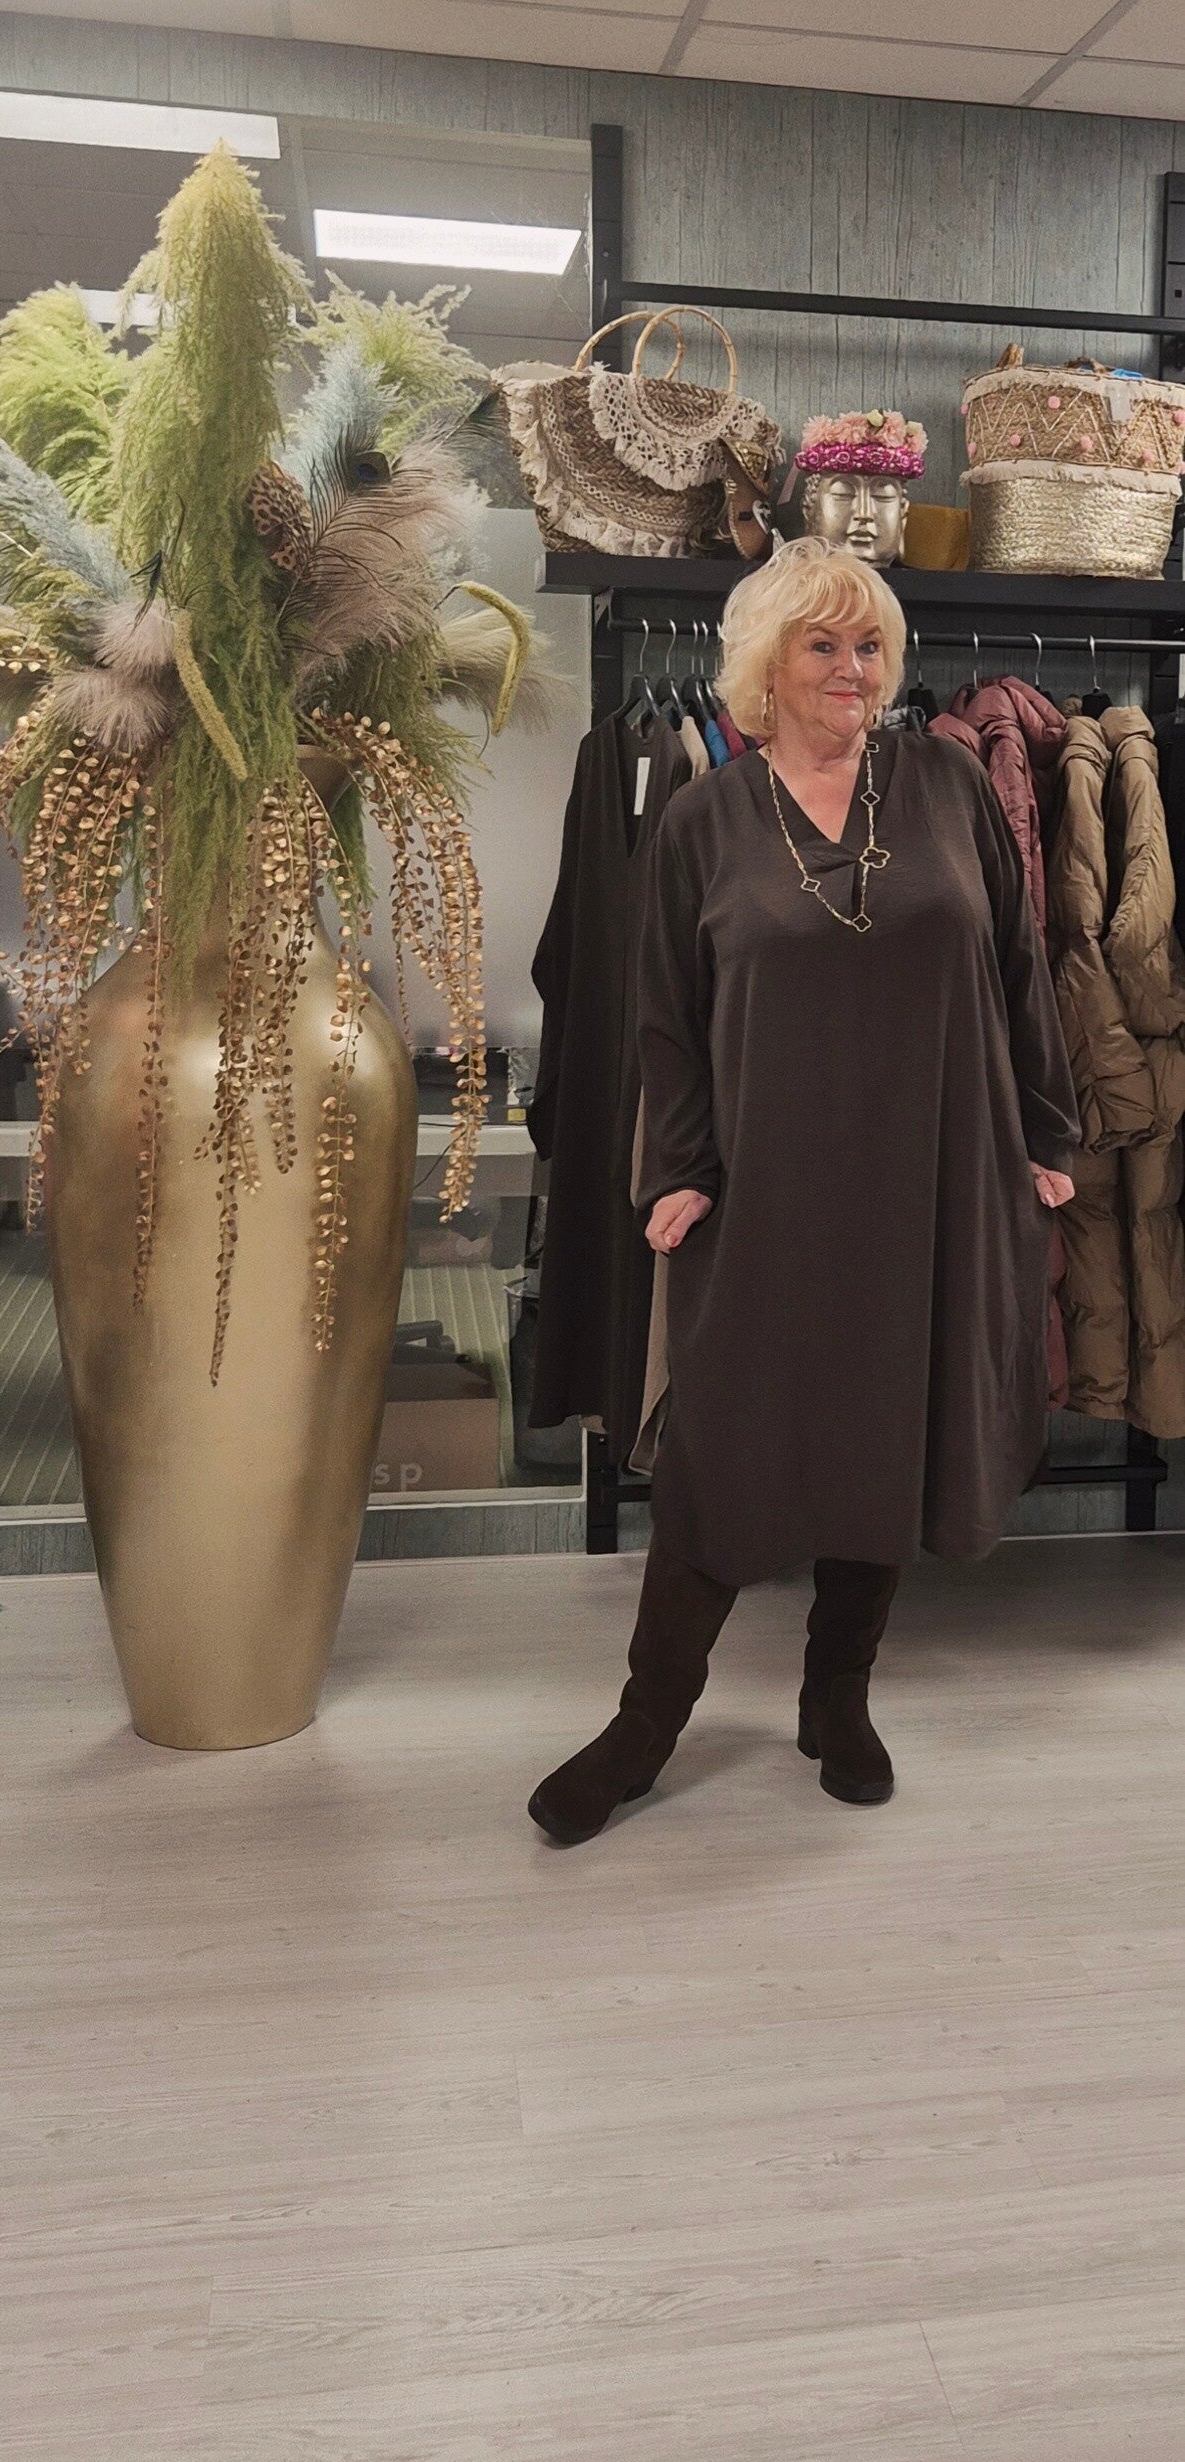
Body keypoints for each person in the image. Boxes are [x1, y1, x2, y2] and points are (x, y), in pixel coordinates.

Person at [530, 537, 1080, 1846]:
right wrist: (678, 1167)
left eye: (871, 644)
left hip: (932, 1168)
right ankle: (645, 1724)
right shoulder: (702, 820)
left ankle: (838, 1696)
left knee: (884, 1431)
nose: (854, 668)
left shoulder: (947, 783)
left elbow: (1018, 965)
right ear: (763, 667)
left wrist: (1044, 1128)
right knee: (726, 1451)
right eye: (822, 643)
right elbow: (665, 1016)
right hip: (767, 1185)